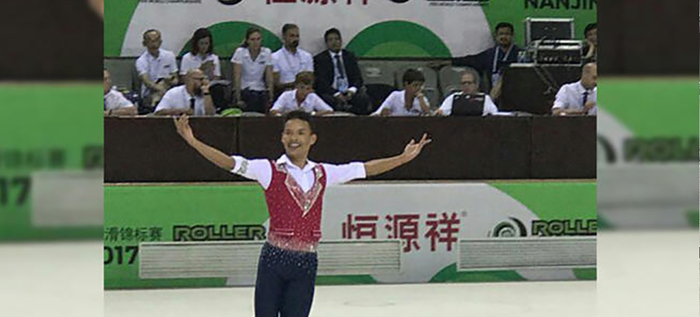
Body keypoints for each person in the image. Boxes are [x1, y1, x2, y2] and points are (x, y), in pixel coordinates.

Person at [172, 110, 431, 317]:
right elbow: (229, 162)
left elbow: (363, 169)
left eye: (300, 132)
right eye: (287, 132)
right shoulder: (268, 170)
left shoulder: (324, 172)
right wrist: (193, 141)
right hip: (274, 260)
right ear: (282, 138)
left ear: (312, 139)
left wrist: (402, 158)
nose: (293, 138)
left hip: (306, 263)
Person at [436, 22, 522, 91]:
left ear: (512, 35)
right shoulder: (490, 54)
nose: (503, 37)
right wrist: (444, 62)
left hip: (516, 91)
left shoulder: (520, 53)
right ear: (495, 36)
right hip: (494, 93)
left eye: (507, 34)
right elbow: (469, 60)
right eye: (501, 34)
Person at [313, 28, 371, 115]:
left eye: (337, 39)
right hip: (332, 93)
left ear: (341, 41)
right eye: (331, 40)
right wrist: (336, 94)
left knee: (363, 98)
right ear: (326, 43)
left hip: (349, 91)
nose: (334, 42)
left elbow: (358, 78)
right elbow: (322, 83)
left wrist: (352, 91)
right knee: (326, 99)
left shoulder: (349, 56)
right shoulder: (320, 59)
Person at [231, 27, 275, 113]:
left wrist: (271, 97)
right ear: (247, 41)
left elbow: (269, 77)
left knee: (261, 99)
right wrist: (238, 98)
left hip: (260, 88)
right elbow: (237, 76)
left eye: (258, 39)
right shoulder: (240, 52)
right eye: (252, 39)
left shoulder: (266, 53)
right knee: (252, 98)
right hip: (244, 88)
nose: (256, 43)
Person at [135, 29, 179, 109]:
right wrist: (161, 89)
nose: (154, 44)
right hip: (150, 92)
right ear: (144, 43)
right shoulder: (141, 61)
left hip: (169, 88)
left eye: (156, 41)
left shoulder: (169, 56)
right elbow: (147, 82)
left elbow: (175, 78)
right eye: (150, 41)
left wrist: (170, 81)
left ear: (160, 42)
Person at [272, 24, 314, 95]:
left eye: (297, 36)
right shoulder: (275, 57)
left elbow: (310, 79)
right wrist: (295, 84)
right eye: (292, 36)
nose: (295, 39)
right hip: (284, 93)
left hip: (305, 93)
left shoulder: (306, 56)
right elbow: (277, 84)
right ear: (284, 37)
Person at [269, 72, 333, 116]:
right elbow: (273, 111)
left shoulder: (313, 97)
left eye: (308, 89)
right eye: (302, 88)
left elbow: (329, 111)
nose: (304, 92)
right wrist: (290, 114)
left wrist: (311, 114)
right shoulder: (286, 95)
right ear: (296, 86)